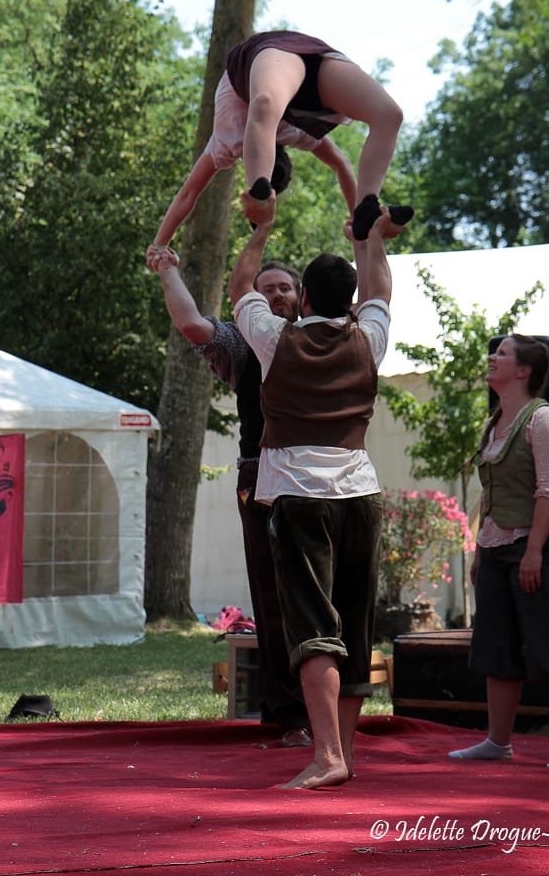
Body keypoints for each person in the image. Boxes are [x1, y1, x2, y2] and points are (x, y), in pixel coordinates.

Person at [227, 190, 403, 790]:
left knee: (312, 627)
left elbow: (240, 287)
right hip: (360, 492)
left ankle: (326, 755)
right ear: (348, 300)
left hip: (299, 495)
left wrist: (262, 228)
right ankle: (346, 752)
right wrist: (372, 237)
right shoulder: (369, 338)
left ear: (301, 298)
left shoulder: (276, 341)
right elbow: (381, 291)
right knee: (354, 625)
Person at [154, 255, 311, 748]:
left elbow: (372, 301)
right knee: (273, 596)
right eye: (267, 289)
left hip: (324, 482)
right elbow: (189, 323)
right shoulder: (242, 345)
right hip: (261, 477)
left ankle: (330, 711)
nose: (278, 295)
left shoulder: (327, 336)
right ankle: (289, 717)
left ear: (303, 296)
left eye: (286, 286)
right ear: (250, 302)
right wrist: (168, 269)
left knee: (322, 597)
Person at [147, 30, 409, 270]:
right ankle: (366, 204)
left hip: (279, 54)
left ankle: (260, 190)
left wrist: (160, 244)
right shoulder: (297, 135)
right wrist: (357, 224)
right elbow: (341, 164)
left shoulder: (228, 143)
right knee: (388, 116)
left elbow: (190, 193)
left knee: (266, 104)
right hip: (309, 68)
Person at [449, 335, 549, 771]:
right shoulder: (495, 421)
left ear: (525, 371)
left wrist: (533, 552)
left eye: (503, 354)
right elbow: (490, 496)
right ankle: (498, 741)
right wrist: (479, 551)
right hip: (496, 548)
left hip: (537, 546)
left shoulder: (543, 421)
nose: (492, 358)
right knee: (496, 645)